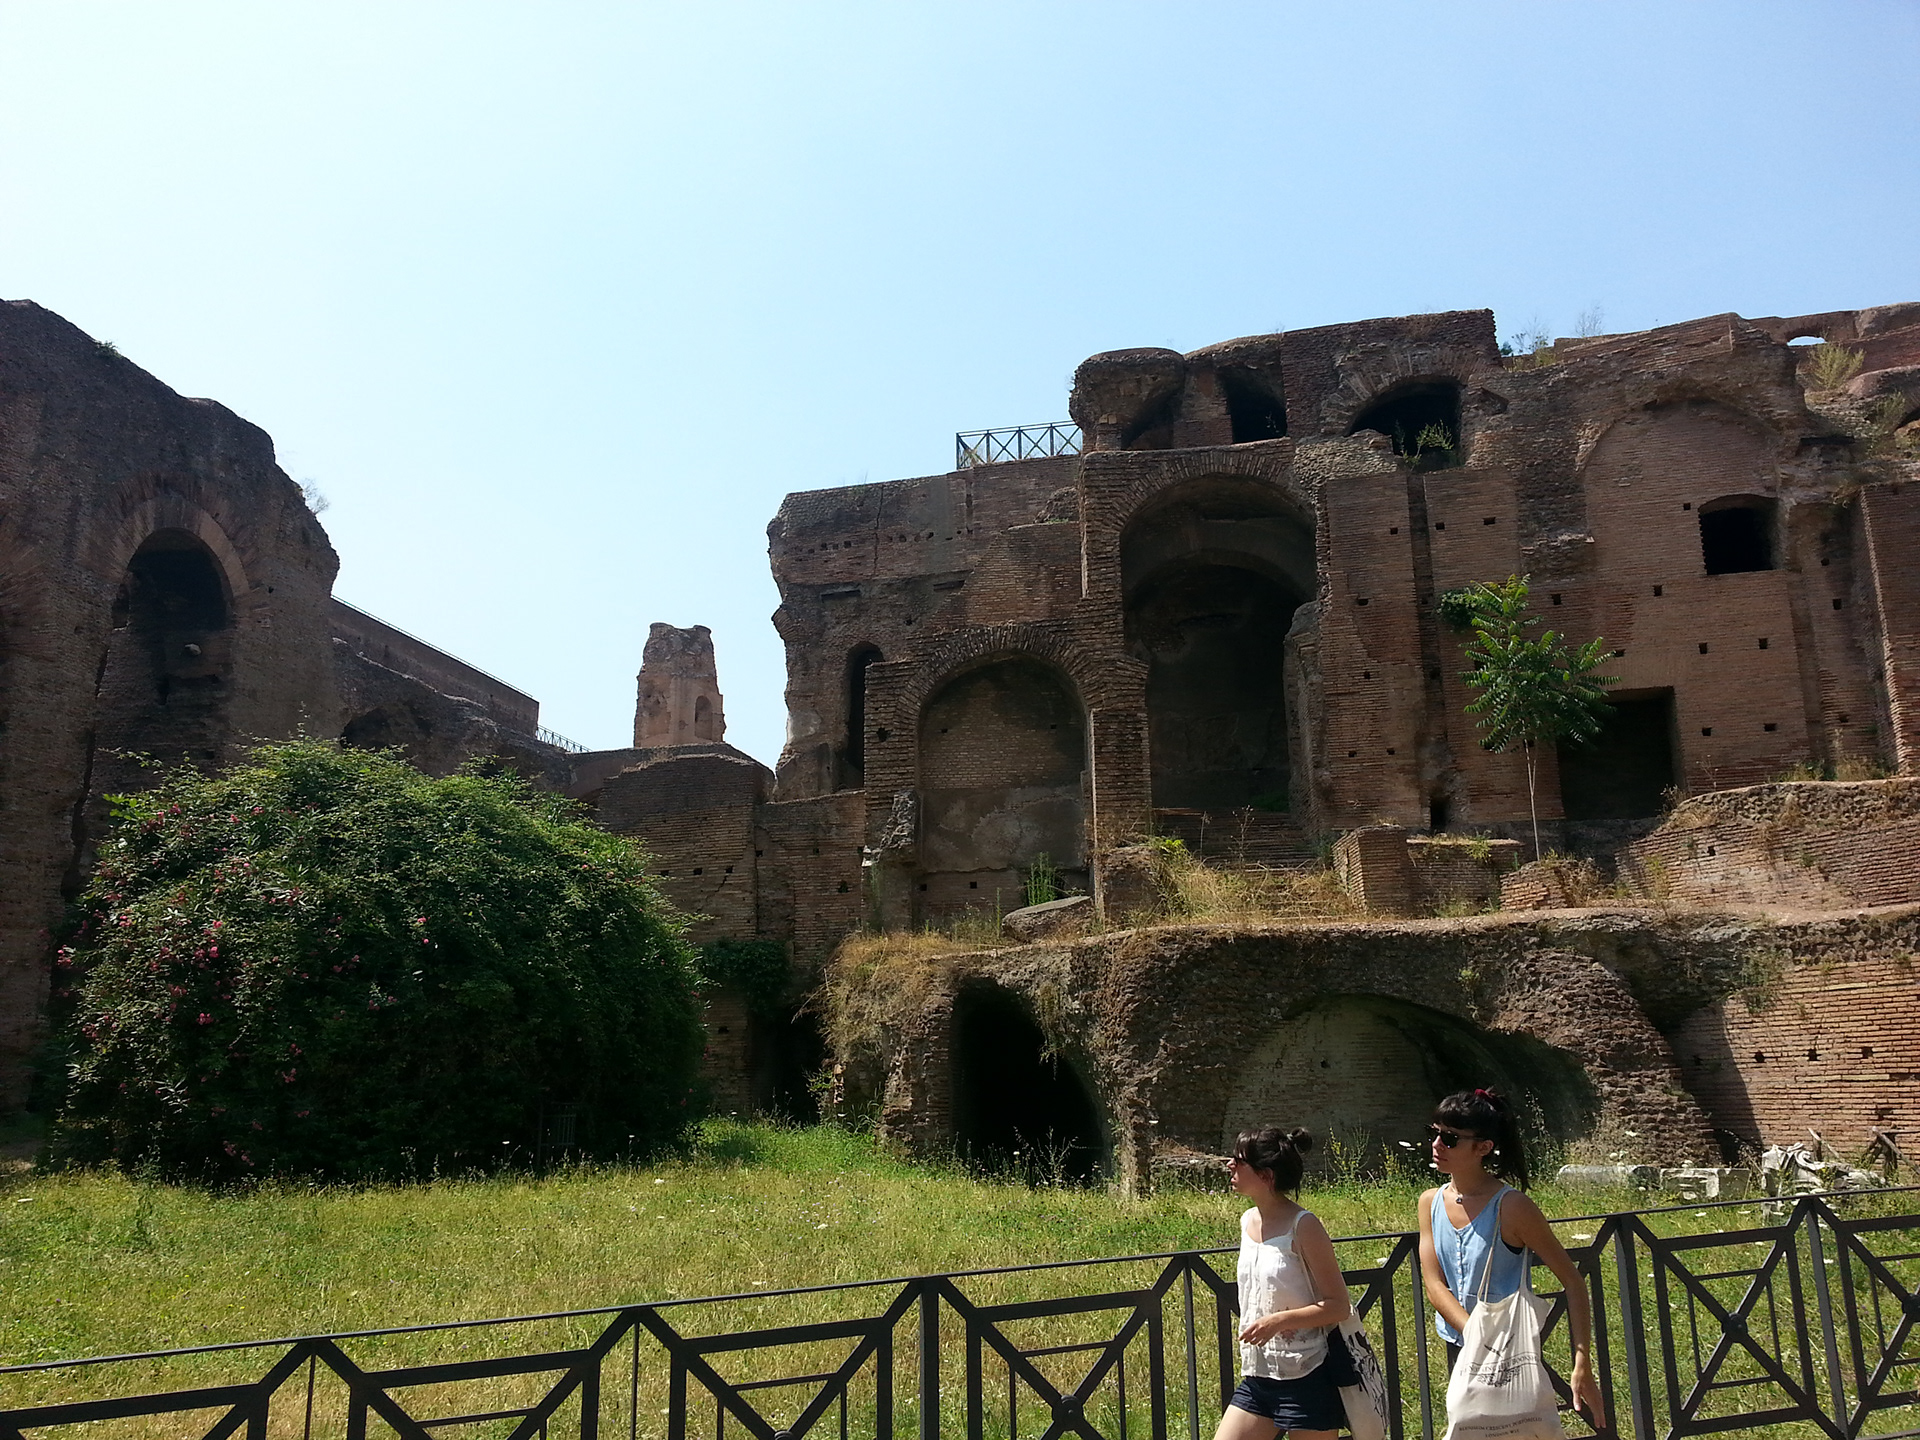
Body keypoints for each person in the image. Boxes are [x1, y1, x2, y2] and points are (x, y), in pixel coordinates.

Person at [1415, 1088, 1605, 1426]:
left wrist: (1582, 1363)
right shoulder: (1429, 1202)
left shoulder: (1512, 1207)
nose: (1437, 1144)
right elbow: (1433, 1282)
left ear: (1483, 1147)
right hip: (1461, 1347)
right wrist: (1475, 1334)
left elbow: (1573, 1282)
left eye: (1449, 1138)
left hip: (1510, 1352)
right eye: (1434, 1133)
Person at [1214, 1126, 1352, 1440]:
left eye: (1240, 1161)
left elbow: (1339, 1305)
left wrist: (1279, 1321)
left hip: (1307, 1373)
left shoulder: (1304, 1226)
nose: (1229, 1165)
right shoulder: (1247, 1219)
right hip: (1258, 1374)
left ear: (1266, 1175)